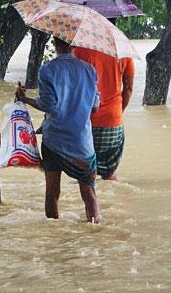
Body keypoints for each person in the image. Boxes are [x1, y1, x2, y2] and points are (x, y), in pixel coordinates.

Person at [15, 37, 101, 222]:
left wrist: (25, 99)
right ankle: (95, 232)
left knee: (52, 192)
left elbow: (50, 106)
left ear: (54, 43)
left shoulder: (47, 70)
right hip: (82, 144)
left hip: (54, 142)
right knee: (89, 193)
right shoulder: (90, 70)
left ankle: (53, 237)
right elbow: (94, 108)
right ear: (74, 45)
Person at [72, 39, 134, 181]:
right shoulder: (124, 52)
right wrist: (118, 111)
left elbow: (74, 86)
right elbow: (128, 89)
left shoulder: (79, 51)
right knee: (109, 173)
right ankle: (110, 202)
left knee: (85, 175)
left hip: (85, 121)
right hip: (113, 120)